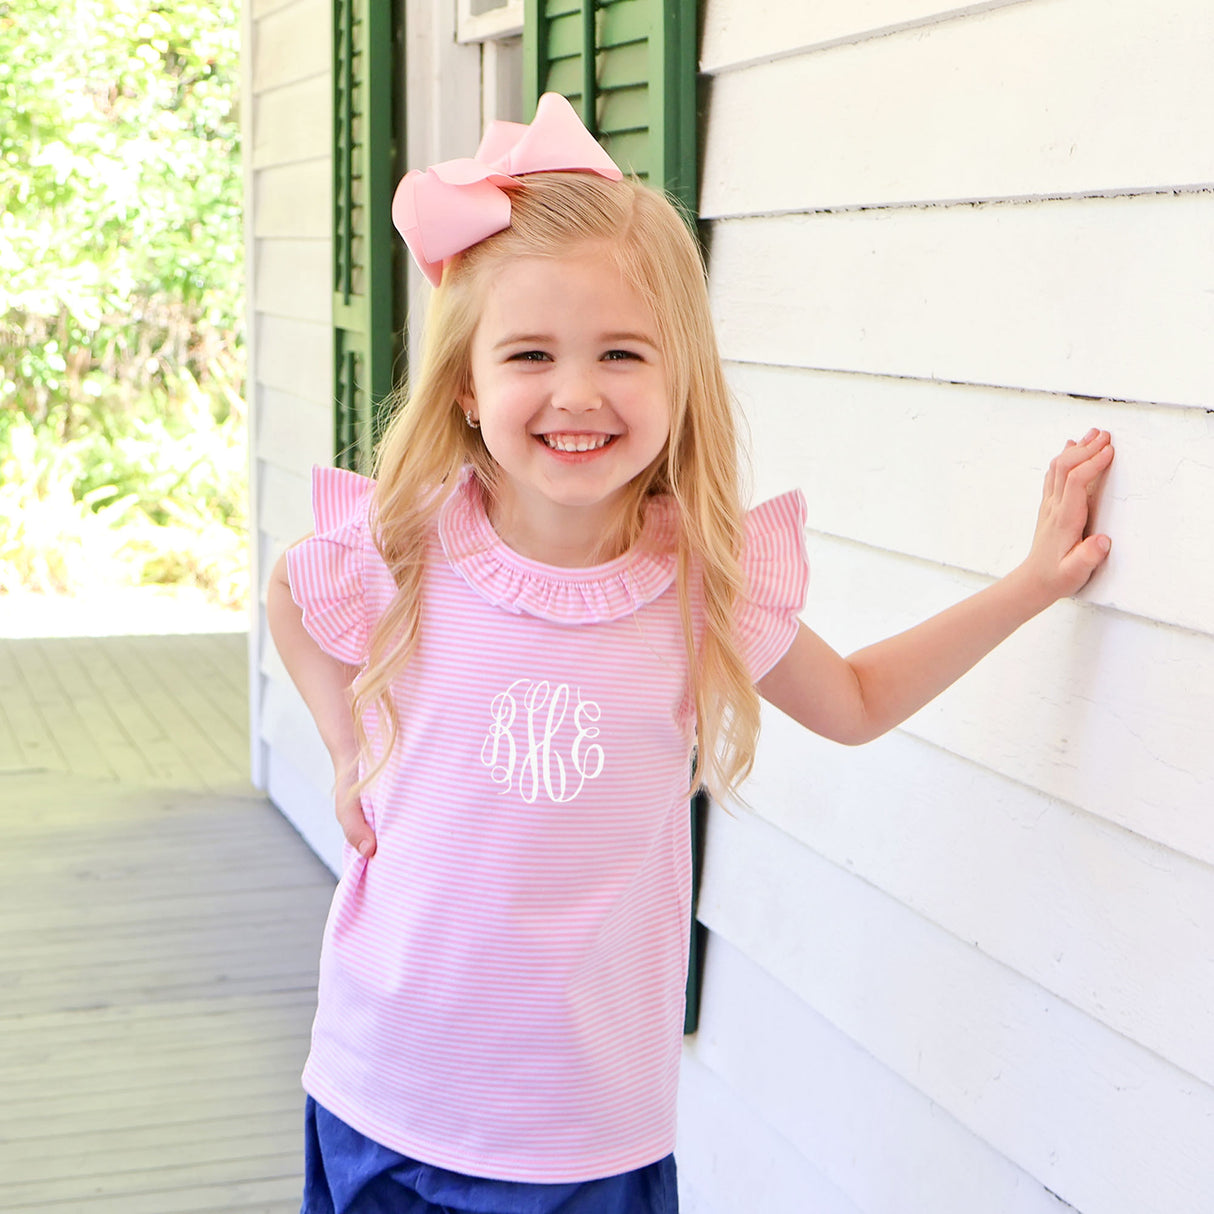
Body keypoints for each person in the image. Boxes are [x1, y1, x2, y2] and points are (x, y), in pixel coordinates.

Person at [268, 92, 1114, 1214]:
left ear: (679, 380)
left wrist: (1028, 583)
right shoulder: (411, 547)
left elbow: (854, 699)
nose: (577, 392)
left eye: (621, 351)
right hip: (383, 1089)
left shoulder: (697, 587)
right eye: (530, 353)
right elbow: (292, 591)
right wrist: (343, 746)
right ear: (467, 386)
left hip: (581, 1132)